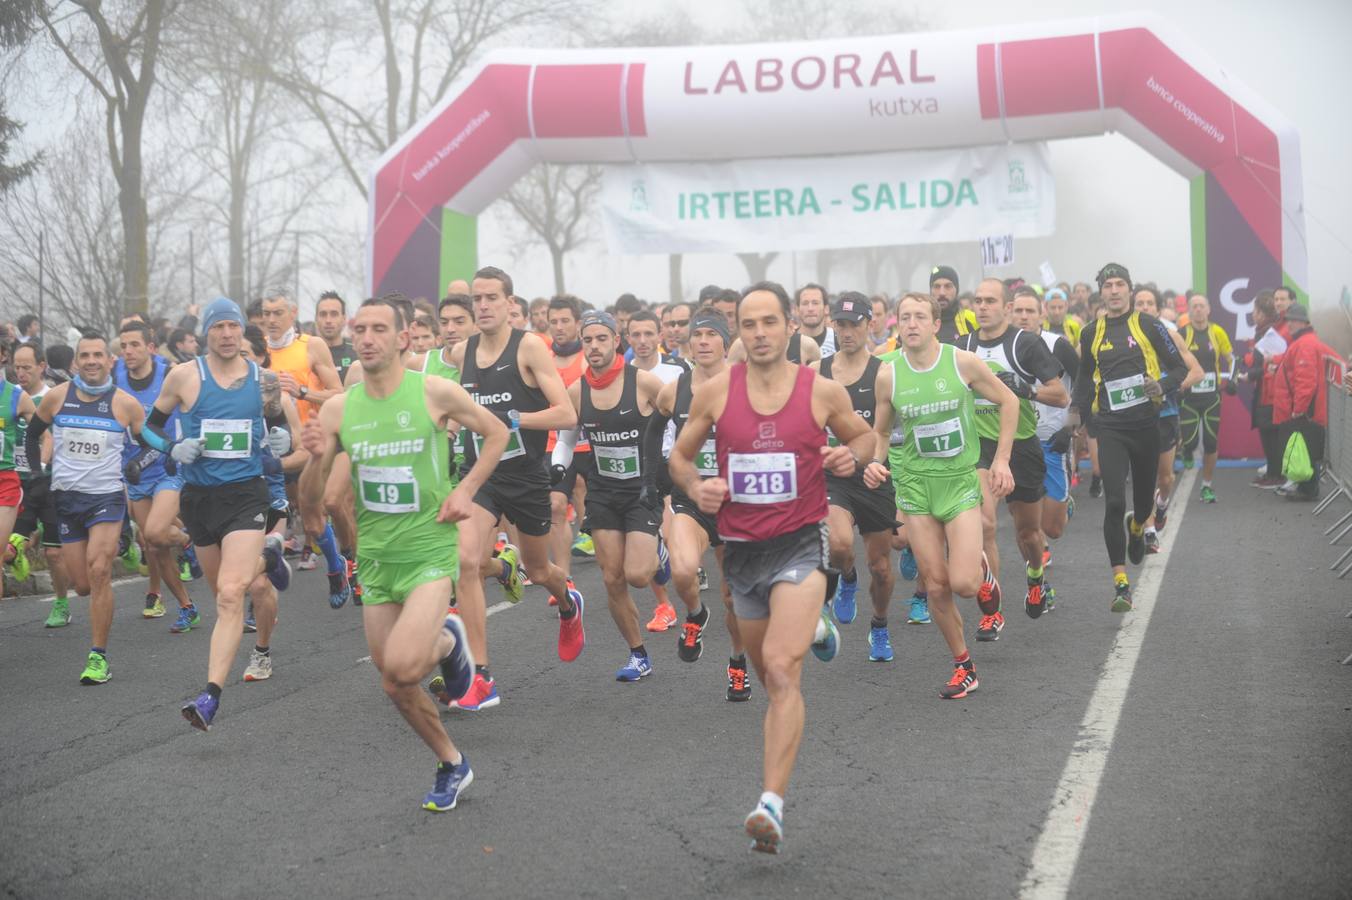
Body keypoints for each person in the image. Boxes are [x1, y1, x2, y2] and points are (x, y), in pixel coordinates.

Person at [669, 281, 873, 854]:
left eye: (770, 323)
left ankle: (770, 803)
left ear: (791, 327)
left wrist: (849, 456)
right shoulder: (713, 393)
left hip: (800, 547)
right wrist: (696, 486)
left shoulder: (821, 390)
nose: (759, 333)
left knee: (783, 673)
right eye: (750, 324)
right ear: (741, 332)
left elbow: (869, 438)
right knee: (766, 674)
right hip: (741, 555)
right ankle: (815, 626)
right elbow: (679, 458)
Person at [300, 296, 506, 811]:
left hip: (429, 550)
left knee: (403, 667)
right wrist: (315, 459)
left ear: (402, 340)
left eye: (378, 329)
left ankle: (447, 641)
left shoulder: (434, 392)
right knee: (394, 682)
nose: (366, 338)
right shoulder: (338, 409)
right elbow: (312, 502)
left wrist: (466, 491)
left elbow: (497, 433)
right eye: (359, 329)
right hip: (375, 557)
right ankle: (453, 762)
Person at [139, 298, 293, 727]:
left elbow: (279, 427)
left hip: (245, 495)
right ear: (207, 332)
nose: (227, 334)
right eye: (219, 327)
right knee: (229, 589)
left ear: (243, 331)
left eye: (233, 326)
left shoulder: (263, 381)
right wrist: (173, 447)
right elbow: (147, 428)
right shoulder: (184, 377)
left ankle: (210, 696)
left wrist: (282, 441)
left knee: (230, 594)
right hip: (199, 501)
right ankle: (270, 555)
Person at [444, 266, 586, 711]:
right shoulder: (458, 354)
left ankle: (569, 603)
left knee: (539, 570)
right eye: (476, 299)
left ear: (510, 303)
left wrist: (515, 421)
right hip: (481, 476)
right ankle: (479, 674)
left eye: (491, 298)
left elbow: (564, 414)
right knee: (465, 560)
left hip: (525, 476)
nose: (482, 306)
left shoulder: (528, 348)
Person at [868, 291, 1017, 699]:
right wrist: (875, 461)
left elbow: (1009, 400)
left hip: (957, 482)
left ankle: (983, 574)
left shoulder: (961, 362)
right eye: (904, 317)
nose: (911, 324)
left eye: (919, 317)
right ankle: (964, 665)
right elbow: (881, 430)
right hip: (915, 485)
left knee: (964, 584)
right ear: (897, 325)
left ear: (936, 324)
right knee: (935, 586)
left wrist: (1001, 460)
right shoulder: (889, 374)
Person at [553, 311, 668, 680]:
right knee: (612, 578)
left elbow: (679, 418)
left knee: (637, 575)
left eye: (602, 339)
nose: (594, 347)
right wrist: (558, 469)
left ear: (617, 341)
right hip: (603, 492)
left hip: (640, 491)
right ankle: (638, 655)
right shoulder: (576, 390)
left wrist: (675, 463)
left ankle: (658, 549)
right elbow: (567, 440)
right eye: (588, 341)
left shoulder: (644, 382)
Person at [24, 333, 141, 684]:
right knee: (84, 585)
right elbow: (32, 436)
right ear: (77, 361)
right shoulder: (57, 399)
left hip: (105, 498)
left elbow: (151, 440)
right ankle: (128, 540)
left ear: (110, 361)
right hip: (67, 500)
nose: (91, 361)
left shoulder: (126, 404)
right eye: (85, 355)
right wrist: (36, 473)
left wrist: (136, 465)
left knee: (100, 569)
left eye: (98, 355)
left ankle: (98, 657)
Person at [1071, 265, 1188, 611]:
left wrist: (1162, 385)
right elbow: (1082, 377)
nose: (1115, 290)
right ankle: (1120, 583)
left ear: (1130, 290)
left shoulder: (1149, 326)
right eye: (1108, 285)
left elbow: (1180, 367)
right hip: (1109, 427)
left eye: (1120, 284)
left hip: (1145, 426)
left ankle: (1138, 528)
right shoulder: (1091, 331)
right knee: (1114, 501)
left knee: (1142, 502)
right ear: (1102, 293)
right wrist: (1076, 411)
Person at [646, 311, 750, 699]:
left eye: (711, 335)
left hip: (737, 503)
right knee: (684, 571)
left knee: (734, 596)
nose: (703, 341)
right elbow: (654, 429)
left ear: (726, 342)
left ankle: (738, 663)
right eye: (697, 335)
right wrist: (650, 481)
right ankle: (694, 614)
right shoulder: (676, 389)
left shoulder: (744, 385)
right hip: (691, 498)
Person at [961, 279, 1069, 627]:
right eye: (977, 301)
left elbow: (1060, 395)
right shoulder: (961, 347)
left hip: (1022, 445)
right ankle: (992, 610)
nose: (982, 307)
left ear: (1006, 308)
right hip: (979, 447)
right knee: (984, 523)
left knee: (1028, 535)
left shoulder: (1026, 344)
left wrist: (1027, 390)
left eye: (990, 301)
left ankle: (1036, 575)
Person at [815, 293, 899, 661]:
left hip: (873, 476)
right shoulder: (815, 372)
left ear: (870, 325)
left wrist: (878, 461)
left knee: (881, 568)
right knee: (839, 544)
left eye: (854, 324)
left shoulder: (883, 372)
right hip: (832, 478)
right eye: (841, 324)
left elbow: (889, 430)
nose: (847, 332)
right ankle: (846, 577)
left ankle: (879, 626)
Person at [259, 289, 350, 602]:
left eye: (277, 313)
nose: (271, 319)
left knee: (312, 519)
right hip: (266, 446)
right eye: (266, 313)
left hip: (307, 444)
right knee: (264, 524)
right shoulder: (255, 350)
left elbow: (338, 393)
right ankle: (257, 598)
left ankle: (337, 567)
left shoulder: (311, 346)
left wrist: (301, 392)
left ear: (292, 313)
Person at [112, 322, 196, 624]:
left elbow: (187, 412)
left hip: (167, 469)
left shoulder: (169, 375)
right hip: (134, 475)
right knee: (155, 547)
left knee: (156, 532)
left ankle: (189, 541)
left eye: (134, 345)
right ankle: (187, 606)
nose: (127, 351)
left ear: (150, 348)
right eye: (123, 346)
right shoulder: (115, 378)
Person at [625, 309, 685, 631]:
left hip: (674, 461)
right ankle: (664, 605)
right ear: (628, 337)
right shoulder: (624, 374)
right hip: (641, 466)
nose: (643, 341)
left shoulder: (677, 369)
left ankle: (683, 579)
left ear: (660, 335)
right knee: (652, 539)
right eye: (636, 335)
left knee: (674, 547)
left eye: (649, 334)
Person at [1010, 289, 1079, 565]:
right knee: (1025, 524)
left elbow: (1085, 381)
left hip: (1053, 440)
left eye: (1030, 311)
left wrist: (1072, 424)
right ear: (1009, 313)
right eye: (1018, 311)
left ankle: (1061, 508)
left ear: (1042, 315)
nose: (1024, 317)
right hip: (1017, 442)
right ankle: (1037, 580)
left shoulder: (1057, 345)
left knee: (1052, 528)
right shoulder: (1003, 348)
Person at [1131, 286, 1202, 552]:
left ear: (1158, 309)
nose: (1145, 307)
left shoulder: (1170, 336)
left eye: (1150, 303)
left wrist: (1169, 385)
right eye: (1140, 302)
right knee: (1143, 476)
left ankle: (1161, 507)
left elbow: (1197, 371)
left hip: (1166, 415)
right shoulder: (1121, 338)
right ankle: (1148, 530)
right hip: (1135, 417)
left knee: (1165, 479)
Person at [10, 344, 73, 620]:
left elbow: (49, 437)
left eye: (27, 367)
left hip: (50, 482)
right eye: (17, 367)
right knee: (9, 546)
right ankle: (18, 554)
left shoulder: (54, 397)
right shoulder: (11, 397)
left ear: (42, 366)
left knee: (53, 554)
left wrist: (42, 466)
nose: (21, 373)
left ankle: (61, 603)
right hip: (17, 480)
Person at [1273, 303, 1336, 501]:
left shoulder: (1304, 344)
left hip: (1304, 411)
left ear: (1302, 322)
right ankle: (1305, 487)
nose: (1289, 324)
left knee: (1305, 450)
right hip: (1309, 410)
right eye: (1288, 320)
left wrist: (1298, 409)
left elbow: (1306, 381)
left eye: (1292, 320)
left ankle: (1307, 489)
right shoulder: (1306, 342)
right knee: (1308, 450)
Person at [1179, 294, 1234, 502]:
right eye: (1194, 306)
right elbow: (1172, 362)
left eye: (1202, 306)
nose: (1198, 310)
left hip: (1212, 397)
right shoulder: (1183, 333)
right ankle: (1186, 449)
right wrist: (1178, 385)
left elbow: (1231, 358)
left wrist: (1233, 379)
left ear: (1208, 309)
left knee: (1211, 443)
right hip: (1189, 398)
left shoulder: (1217, 332)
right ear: (1189, 311)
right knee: (1192, 441)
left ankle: (1206, 486)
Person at [315, 291, 356, 383]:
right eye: (323, 314)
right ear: (316, 319)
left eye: (334, 314)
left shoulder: (356, 352)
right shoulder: (305, 353)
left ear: (344, 319)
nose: (328, 320)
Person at [931, 265, 977, 345]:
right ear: (930, 290)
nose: (942, 293)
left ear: (957, 290)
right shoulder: (920, 322)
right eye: (937, 287)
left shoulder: (972, 319)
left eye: (948, 286)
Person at [793, 283, 836, 359]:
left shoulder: (837, 340)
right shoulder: (788, 342)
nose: (810, 308)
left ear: (826, 309)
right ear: (797, 310)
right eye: (805, 303)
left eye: (815, 303)